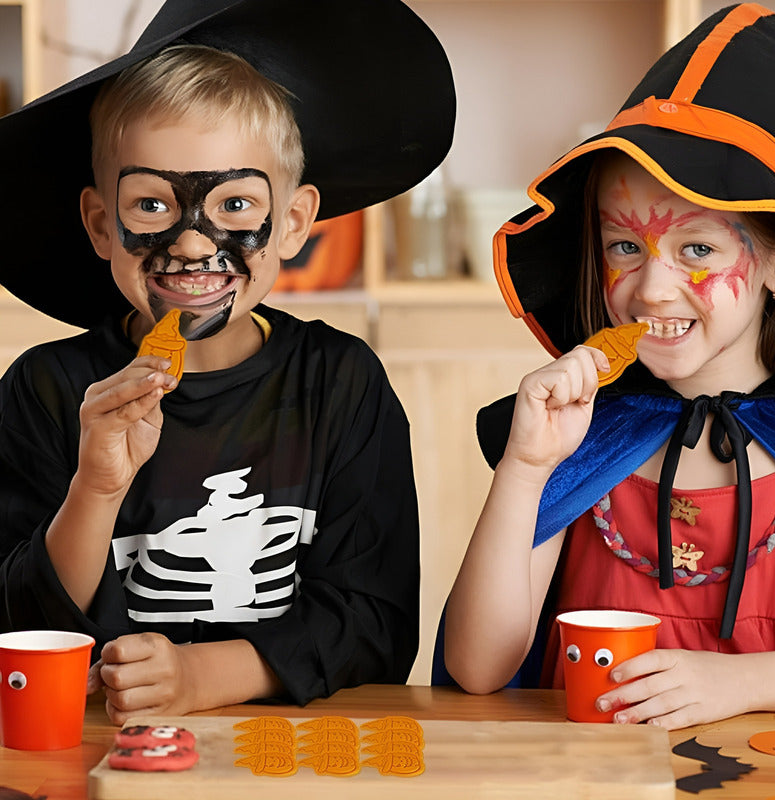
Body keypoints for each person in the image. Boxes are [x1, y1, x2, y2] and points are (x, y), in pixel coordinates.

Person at [0, 0, 455, 723]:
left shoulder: (341, 384)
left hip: (289, 749)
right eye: (150, 205)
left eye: (235, 203)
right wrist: (95, 486)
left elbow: (378, 624)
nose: (189, 243)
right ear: (99, 223)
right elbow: (19, 626)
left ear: (296, 222)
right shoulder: (48, 390)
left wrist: (201, 675)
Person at [442, 2, 775, 730]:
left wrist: (745, 683)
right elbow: (478, 668)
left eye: (697, 249)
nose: (651, 287)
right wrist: (527, 466)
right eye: (624, 247)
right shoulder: (585, 439)